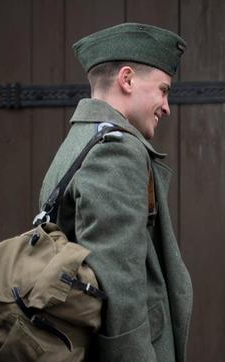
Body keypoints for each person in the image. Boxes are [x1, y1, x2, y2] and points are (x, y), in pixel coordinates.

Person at [39, 23, 192, 362]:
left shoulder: (78, 143)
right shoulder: (116, 150)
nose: (166, 106)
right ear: (127, 79)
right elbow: (118, 284)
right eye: (163, 90)